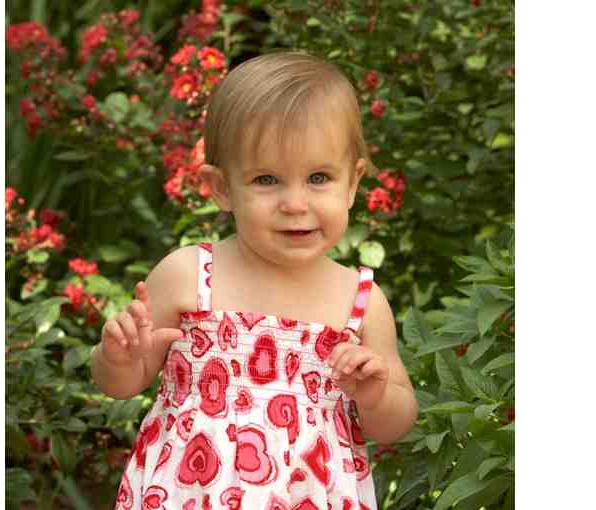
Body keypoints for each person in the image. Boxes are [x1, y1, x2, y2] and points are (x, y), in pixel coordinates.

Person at [91, 51, 418, 510]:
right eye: (267, 179)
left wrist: (375, 395)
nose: (295, 203)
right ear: (222, 188)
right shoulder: (189, 275)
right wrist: (118, 358)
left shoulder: (360, 301)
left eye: (318, 177)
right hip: (192, 495)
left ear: (352, 182)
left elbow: (395, 424)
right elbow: (122, 384)